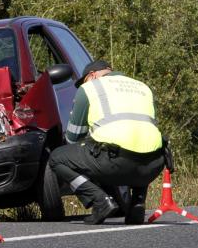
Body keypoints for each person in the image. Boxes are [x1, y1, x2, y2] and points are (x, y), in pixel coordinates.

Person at [48, 60, 166, 225]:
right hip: (154, 165)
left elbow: (73, 138)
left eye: (84, 80)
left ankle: (100, 200)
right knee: (140, 142)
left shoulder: (90, 88)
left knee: (57, 158)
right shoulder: (143, 87)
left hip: (114, 163)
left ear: (92, 75)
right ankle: (138, 202)